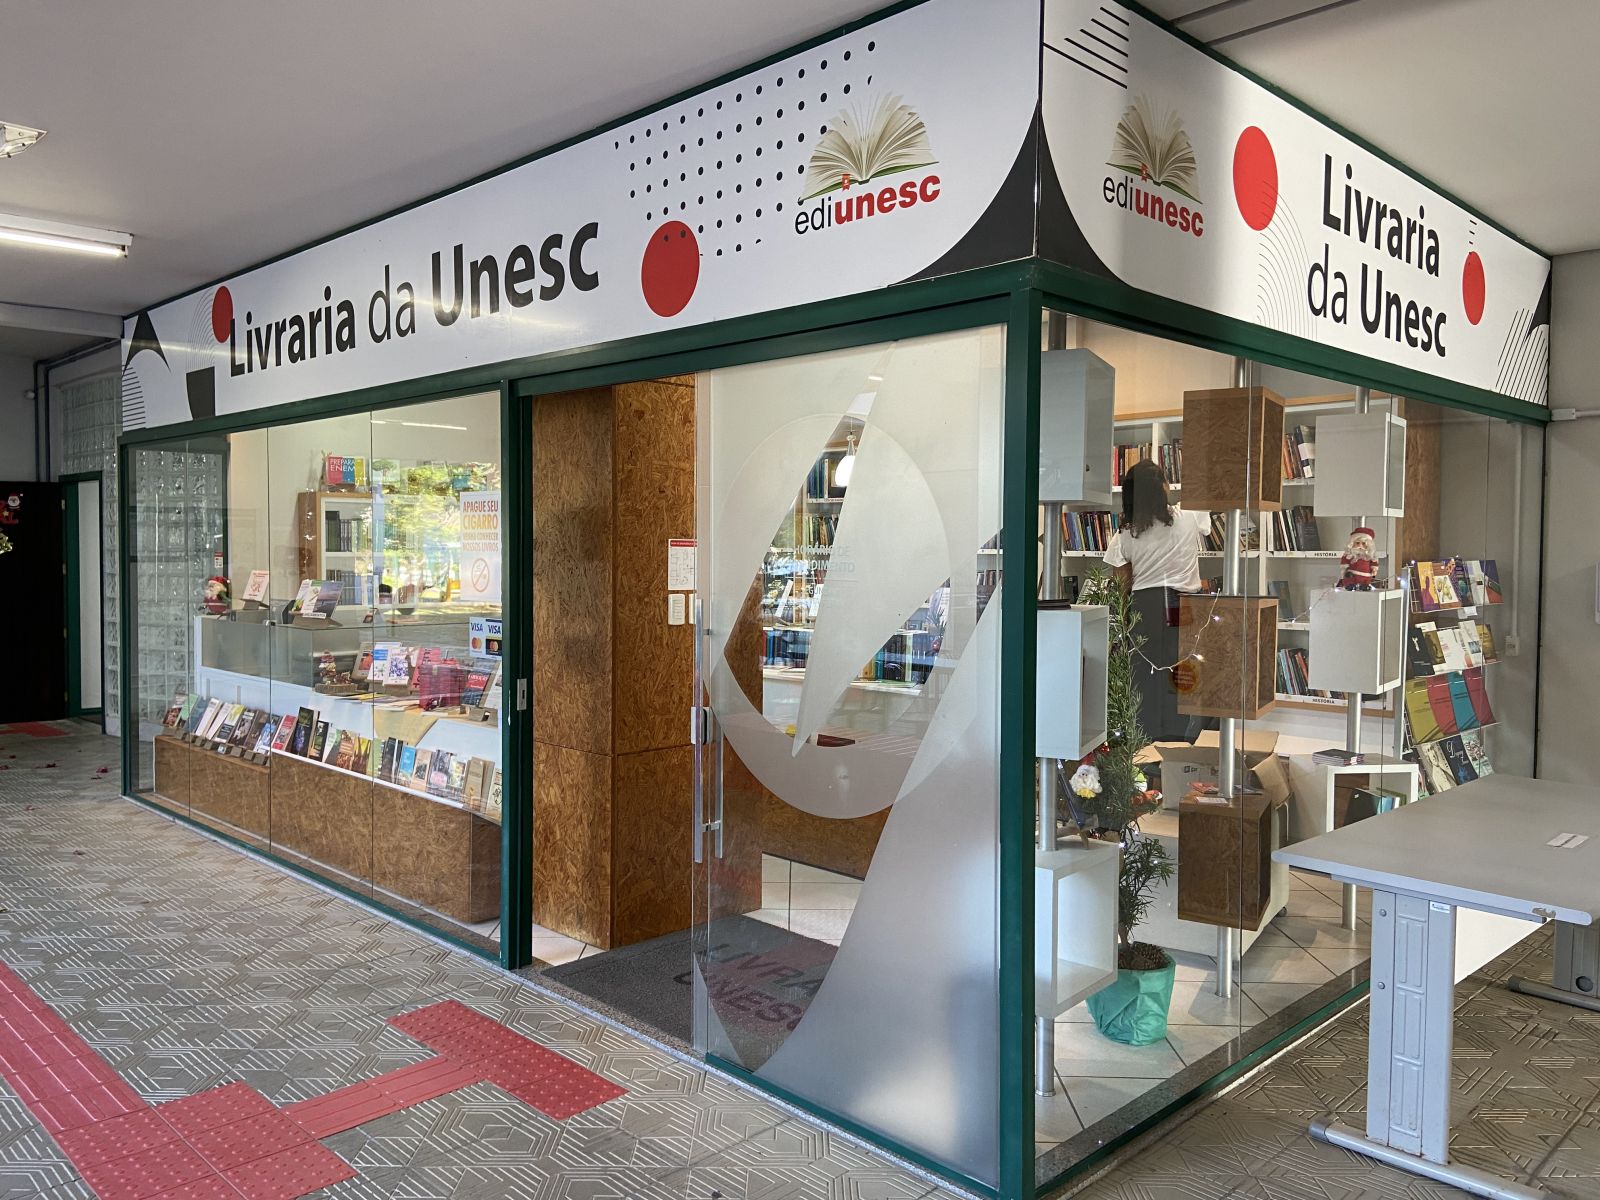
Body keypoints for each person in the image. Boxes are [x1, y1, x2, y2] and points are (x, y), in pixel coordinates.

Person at [1102, 460, 1210, 742]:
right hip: (1185, 605)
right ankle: (1183, 739)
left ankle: (1146, 741)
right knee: (1184, 674)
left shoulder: (1125, 534)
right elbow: (1207, 513)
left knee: (1145, 677)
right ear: (1163, 487)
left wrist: (1125, 622)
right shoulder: (1189, 515)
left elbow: (1121, 586)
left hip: (1145, 607)